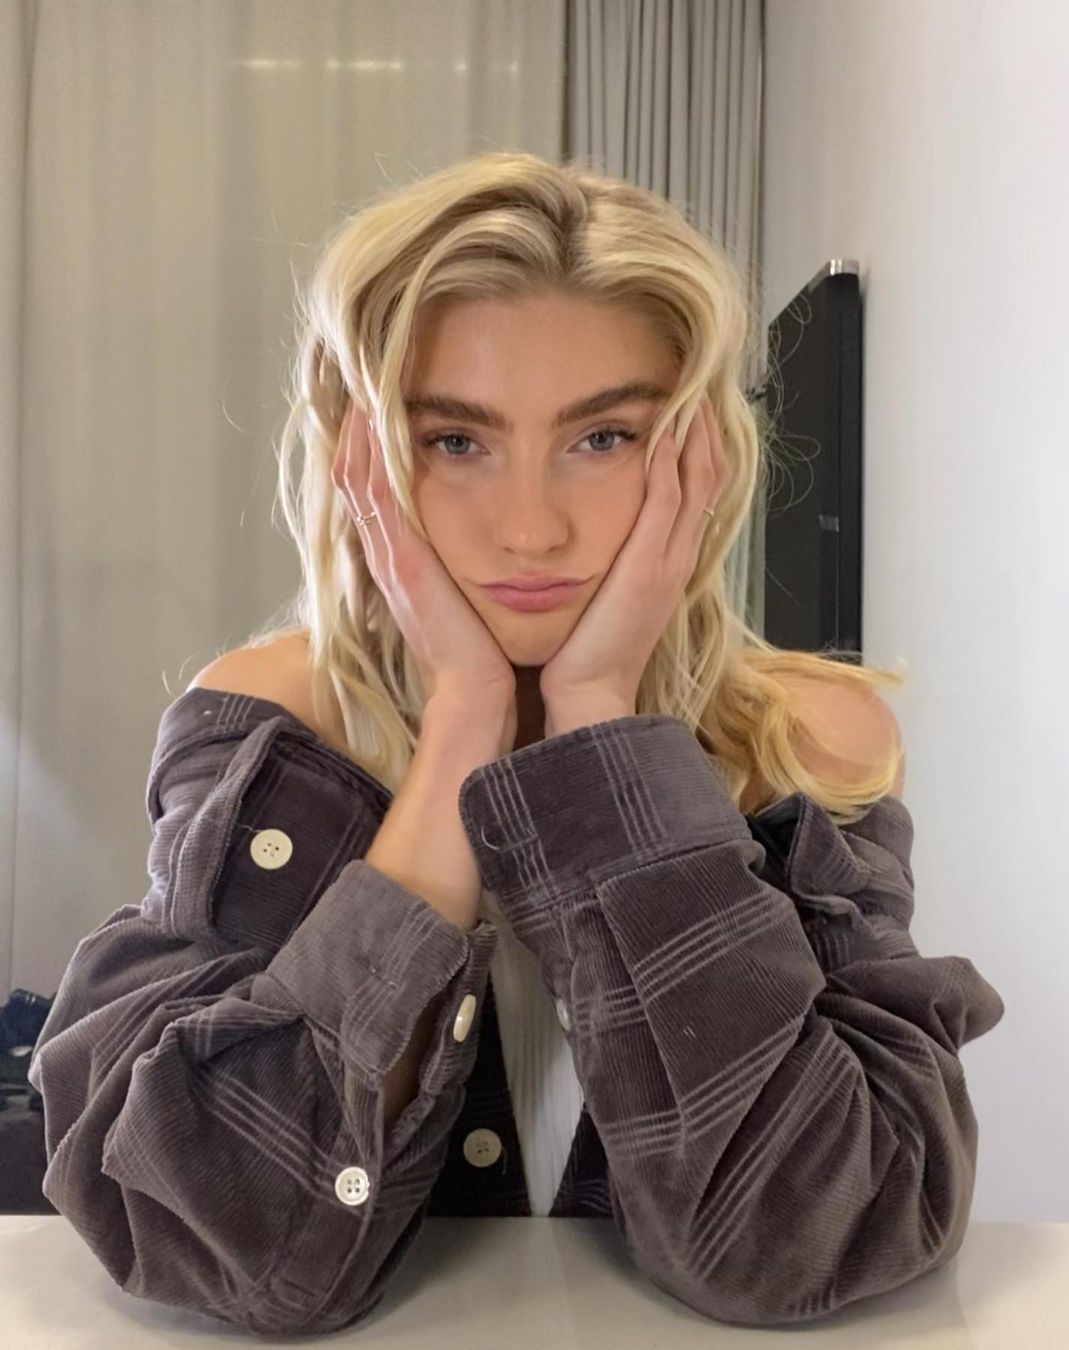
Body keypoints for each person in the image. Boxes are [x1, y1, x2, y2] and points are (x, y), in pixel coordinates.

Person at [28, 150, 1004, 1335]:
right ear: (360, 454)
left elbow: (804, 1241)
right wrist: (460, 729)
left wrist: (600, 719)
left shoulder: (810, 742)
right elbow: (218, 1242)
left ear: (697, 453)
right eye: (455, 441)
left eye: (604, 438)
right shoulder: (266, 730)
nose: (531, 530)